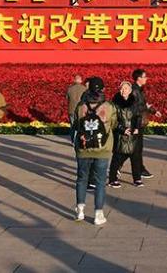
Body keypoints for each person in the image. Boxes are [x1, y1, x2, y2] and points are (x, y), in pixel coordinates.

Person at [73, 77, 116, 225]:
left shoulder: (80, 106)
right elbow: (114, 124)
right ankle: (98, 214)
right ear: (103, 89)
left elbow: (75, 125)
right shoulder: (108, 106)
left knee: (82, 179)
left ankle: (80, 210)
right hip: (102, 149)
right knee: (100, 182)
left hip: (83, 148)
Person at [108, 81, 142, 188]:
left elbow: (138, 116)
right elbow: (113, 120)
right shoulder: (114, 103)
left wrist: (136, 128)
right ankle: (112, 179)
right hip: (120, 134)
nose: (124, 91)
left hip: (132, 133)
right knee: (117, 158)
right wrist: (122, 129)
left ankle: (137, 179)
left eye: (126, 89)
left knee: (135, 157)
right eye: (122, 89)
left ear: (130, 90)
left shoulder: (134, 102)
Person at [131, 69, 161, 179]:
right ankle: (139, 170)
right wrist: (147, 108)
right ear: (138, 78)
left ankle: (139, 168)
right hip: (136, 122)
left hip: (140, 121)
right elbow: (136, 107)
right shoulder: (134, 91)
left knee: (137, 148)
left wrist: (153, 111)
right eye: (144, 77)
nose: (146, 79)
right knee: (135, 148)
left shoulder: (139, 90)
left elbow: (143, 104)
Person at [66, 75, 87, 144]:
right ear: (81, 80)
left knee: (72, 125)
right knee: (81, 125)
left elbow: (67, 98)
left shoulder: (70, 89)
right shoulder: (84, 89)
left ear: (74, 80)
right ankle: (80, 140)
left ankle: (73, 141)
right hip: (81, 110)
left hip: (72, 110)